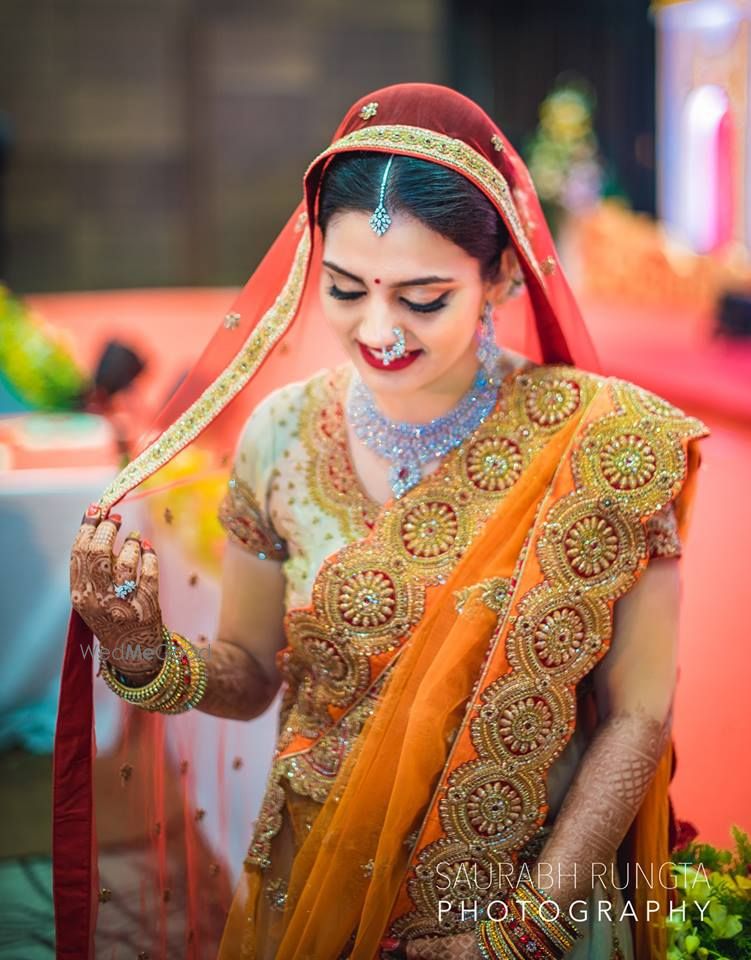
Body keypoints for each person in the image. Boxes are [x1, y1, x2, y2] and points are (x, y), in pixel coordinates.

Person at [57, 83, 709, 960]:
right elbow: (251, 673)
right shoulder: (280, 434)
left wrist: (529, 929)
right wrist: (144, 654)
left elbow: (638, 715)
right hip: (316, 877)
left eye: (422, 297)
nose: (377, 330)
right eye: (345, 287)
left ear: (502, 274)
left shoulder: (605, 443)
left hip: (519, 897)